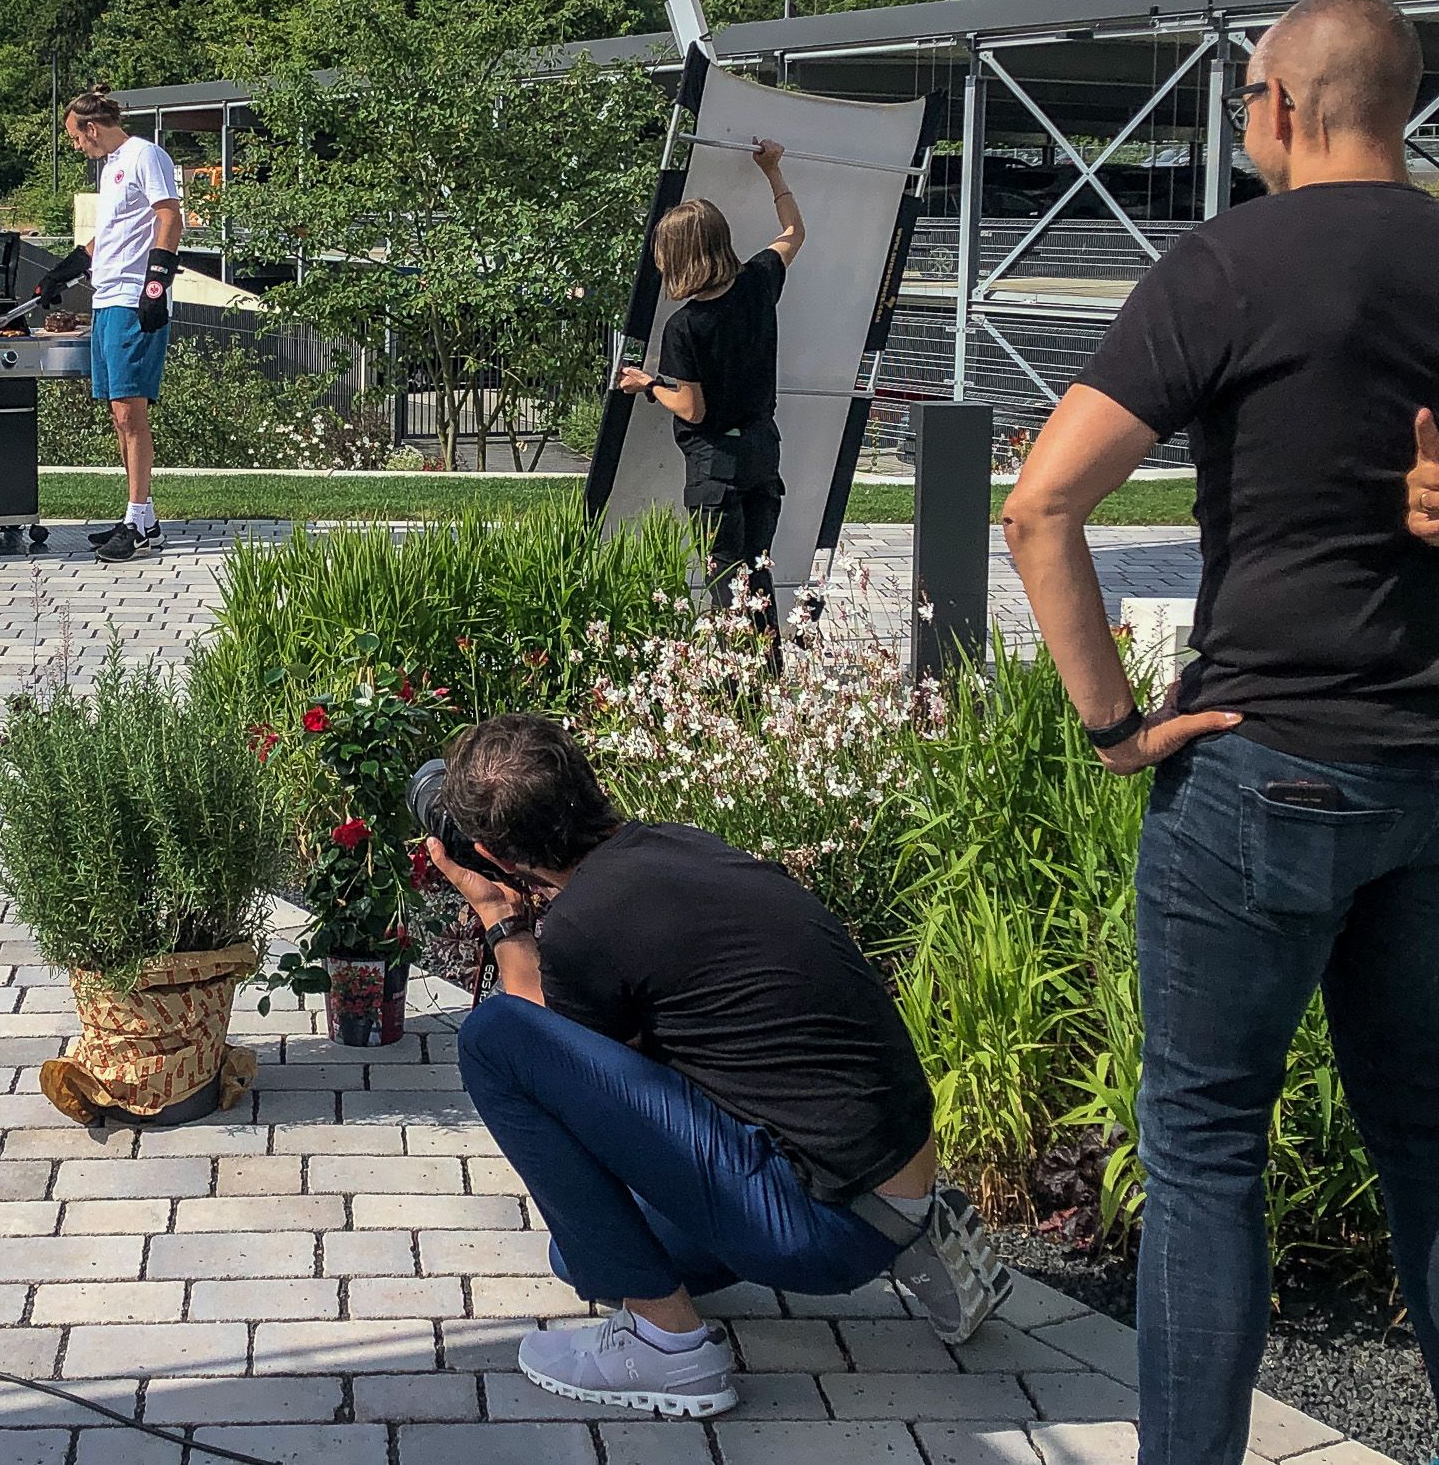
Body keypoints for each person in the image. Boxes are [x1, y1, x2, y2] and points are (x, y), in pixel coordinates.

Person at [1002, 0, 1439, 1465]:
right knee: (1435, 1125)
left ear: (1279, 105)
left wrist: (1116, 726)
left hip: (1265, 765)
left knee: (1205, 1151)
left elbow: (1041, 507)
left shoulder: (1225, 267)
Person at [424, 712, 1011, 1418]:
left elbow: (543, 1051)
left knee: (492, 1037)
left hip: (819, 1229)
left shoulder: (585, 923)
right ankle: (916, 1234)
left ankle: (668, 1351)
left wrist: (502, 918)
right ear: (584, 778)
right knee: (583, 1256)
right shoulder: (681, 845)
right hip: (888, 1177)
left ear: (493, 850)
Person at [616, 142, 803, 614]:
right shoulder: (759, 281)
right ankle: (770, 675)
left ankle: (735, 680)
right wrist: (773, 171)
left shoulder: (686, 326)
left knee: (726, 580)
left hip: (716, 466)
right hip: (762, 451)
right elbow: (794, 232)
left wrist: (649, 385)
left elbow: (692, 408)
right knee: (759, 573)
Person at [32, 90, 183, 563]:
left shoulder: (146, 155)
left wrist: (155, 283)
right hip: (105, 299)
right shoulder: (112, 168)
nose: (77, 146)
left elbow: (170, 216)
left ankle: (135, 522)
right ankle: (145, 518)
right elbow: (113, 235)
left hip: (133, 300)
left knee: (128, 412)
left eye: (76, 137)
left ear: (91, 128)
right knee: (119, 413)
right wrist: (64, 269)